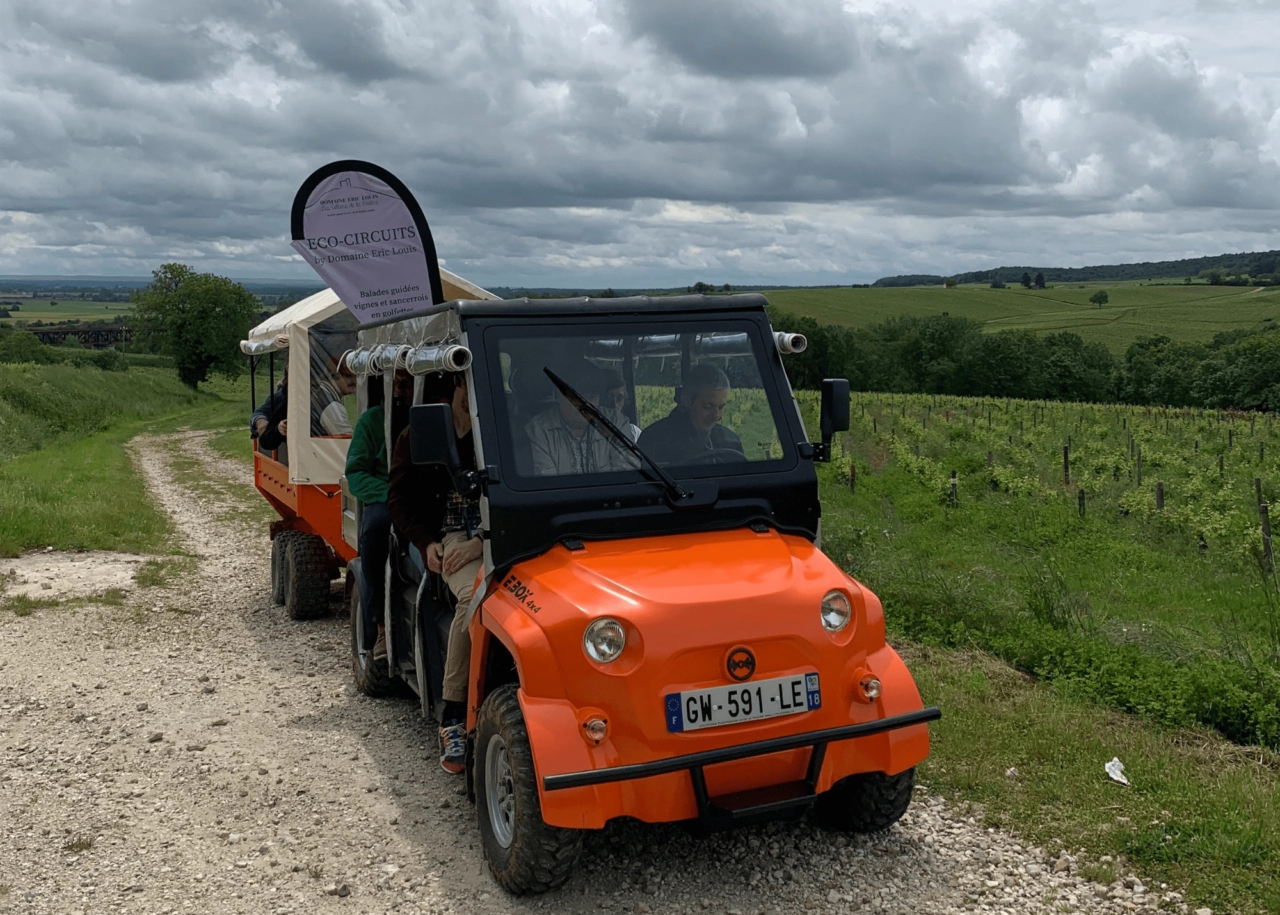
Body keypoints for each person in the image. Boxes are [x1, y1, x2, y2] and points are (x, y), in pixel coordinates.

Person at [387, 372, 483, 775]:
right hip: (446, 534)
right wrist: (427, 543)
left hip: (487, 534)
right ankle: (453, 715)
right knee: (473, 596)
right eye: (468, 388)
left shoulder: (492, 431)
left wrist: (480, 543)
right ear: (455, 387)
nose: (472, 398)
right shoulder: (417, 436)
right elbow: (399, 500)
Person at [344, 370, 413, 656]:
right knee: (375, 529)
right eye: (394, 379)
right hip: (385, 496)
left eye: (405, 380)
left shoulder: (433, 413)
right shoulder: (372, 420)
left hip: (424, 494)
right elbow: (356, 472)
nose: (398, 385)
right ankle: (379, 623)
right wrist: (389, 494)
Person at [524, 360, 639, 476]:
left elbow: (626, 475)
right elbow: (547, 484)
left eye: (592, 397)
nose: (585, 405)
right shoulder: (539, 430)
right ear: (559, 395)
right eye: (577, 398)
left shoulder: (616, 423)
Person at [638, 363, 744, 464]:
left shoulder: (730, 442)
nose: (716, 416)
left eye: (721, 407)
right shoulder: (654, 441)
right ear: (687, 400)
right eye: (707, 407)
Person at [250, 371, 289, 455]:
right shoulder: (280, 397)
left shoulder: (322, 392)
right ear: (287, 378)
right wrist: (263, 425)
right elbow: (259, 413)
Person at [601, 368, 642, 443]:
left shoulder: (634, 433)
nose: (614, 406)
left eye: (619, 399)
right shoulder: (588, 435)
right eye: (608, 399)